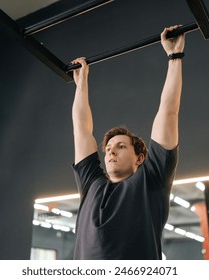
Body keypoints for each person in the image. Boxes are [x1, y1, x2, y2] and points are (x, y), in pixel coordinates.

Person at [70, 25, 185, 260]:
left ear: (140, 158)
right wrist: (81, 84)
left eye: (121, 146)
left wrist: (174, 57)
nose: (111, 152)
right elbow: (81, 130)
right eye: (109, 149)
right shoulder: (91, 183)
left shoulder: (151, 179)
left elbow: (168, 113)